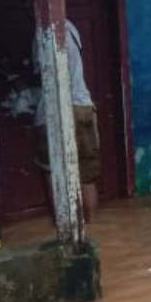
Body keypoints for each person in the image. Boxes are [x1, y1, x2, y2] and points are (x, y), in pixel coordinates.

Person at [31, 18, 101, 220]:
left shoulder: (41, 31)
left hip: (51, 111)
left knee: (53, 172)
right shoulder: (70, 27)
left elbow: (42, 73)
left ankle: (64, 234)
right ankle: (94, 231)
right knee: (87, 174)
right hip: (82, 106)